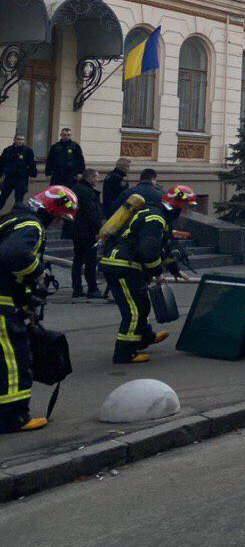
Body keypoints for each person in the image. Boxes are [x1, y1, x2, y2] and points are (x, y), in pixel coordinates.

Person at [0, 185, 78, 433]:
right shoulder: (31, 225)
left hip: (8, 301)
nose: (57, 223)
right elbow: (13, 255)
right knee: (15, 362)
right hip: (2, 304)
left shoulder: (15, 220)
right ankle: (13, 418)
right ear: (52, 210)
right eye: (59, 217)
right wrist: (38, 272)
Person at [100, 185, 197, 363]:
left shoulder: (160, 216)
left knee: (142, 304)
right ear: (177, 204)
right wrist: (158, 272)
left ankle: (144, 338)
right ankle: (124, 353)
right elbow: (148, 251)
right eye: (186, 206)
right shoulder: (155, 218)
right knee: (133, 311)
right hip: (122, 267)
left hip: (128, 267)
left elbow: (162, 247)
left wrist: (174, 269)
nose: (187, 210)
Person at [69, 169, 105, 298]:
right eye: (96, 177)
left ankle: (77, 288)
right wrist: (98, 230)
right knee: (90, 260)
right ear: (90, 178)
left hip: (76, 230)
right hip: (88, 231)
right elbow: (92, 213)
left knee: (78, 260)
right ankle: (92, 288)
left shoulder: (75, 188)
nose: (98, 180)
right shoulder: (88, 192)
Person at [0, 134, 38, 211]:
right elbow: (1, 163)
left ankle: (16, 216)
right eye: (18, 139)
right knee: (2, 197)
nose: (20, 141)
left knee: (19, 201)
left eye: (22, 139)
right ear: (14, 139)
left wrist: (33, 176)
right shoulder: (8, 150)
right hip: (9, 178)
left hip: (21, 179)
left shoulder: (27, 151)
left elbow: (32, 164)